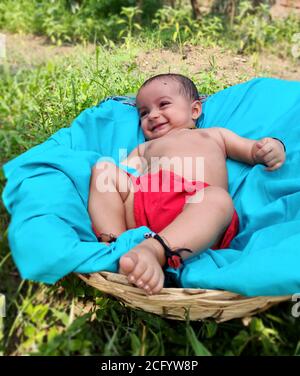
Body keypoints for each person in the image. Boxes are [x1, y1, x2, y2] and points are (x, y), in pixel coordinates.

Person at [88, 73, 286, 295]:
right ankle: (115, 247)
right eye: (143, 113)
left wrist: (271, 147)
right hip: (147, 206)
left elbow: (250, 150)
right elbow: (123, 174)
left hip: (196, 215)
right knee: (104, 170)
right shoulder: (146, 148)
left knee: (218, 199)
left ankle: (156, 250)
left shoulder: (214, 135)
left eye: (163, 104)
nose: (152, 115)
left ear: (195, 110)